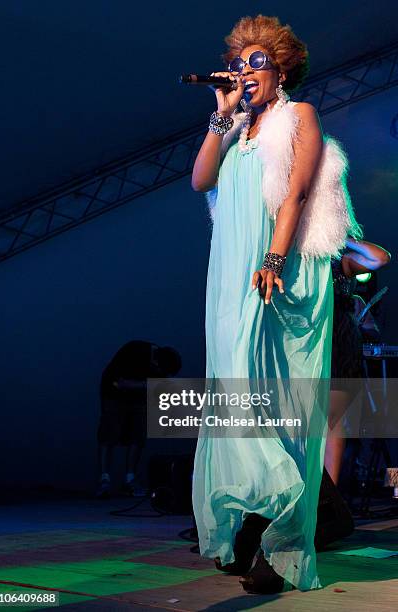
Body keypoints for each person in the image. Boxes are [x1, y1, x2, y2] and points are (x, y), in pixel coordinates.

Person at [191, 15, 362, 594]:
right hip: (231, 275)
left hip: (280, 273)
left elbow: (296, 192)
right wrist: (221, 112)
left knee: (274, 398)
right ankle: (254, 527)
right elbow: (199, 179)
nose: (246, 71)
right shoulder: (236, 128)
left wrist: (271, 260)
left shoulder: (300, 116)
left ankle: (284, 532)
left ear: (282, 68)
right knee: (237, 393)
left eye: (257, 62)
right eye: (241, 63)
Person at [325, 238, 391, 485]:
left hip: (339, 346)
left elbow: (380, 257)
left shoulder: (340, 263)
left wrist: (342, 236)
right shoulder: (295, 260)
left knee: (335, 423)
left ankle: (330, 496)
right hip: (305, 340)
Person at [97, 340, 182, 498]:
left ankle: (130, 479)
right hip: (112, 393)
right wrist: (146, 385)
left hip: (138, 398)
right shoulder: (133, 351)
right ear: (156, 362)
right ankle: (104, 479)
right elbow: (119, 383)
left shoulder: (161, 368)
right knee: (109, 433)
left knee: (138, 433)